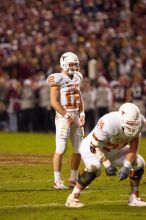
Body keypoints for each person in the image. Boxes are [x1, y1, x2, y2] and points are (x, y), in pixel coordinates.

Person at [65, 102, 146, 207]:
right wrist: (107, 164)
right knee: (94, 168)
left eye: (134, 124)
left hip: (114, 149)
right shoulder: (109, 122)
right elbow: (94, 146)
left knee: (139, 163)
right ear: (121, 120)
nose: (132, 127)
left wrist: (127, 166)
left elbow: (134, 148)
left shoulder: (141, 122)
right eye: (129, 123)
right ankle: (73, 197)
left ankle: (134, 197)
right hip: (92, 147)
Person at [47, 52, 85, 189]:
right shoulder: (56, 78)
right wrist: (67, 116)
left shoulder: (78, 77)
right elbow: (53, 102)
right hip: (63, 116)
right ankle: (57, 181)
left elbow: (79, 96)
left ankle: (73, 179)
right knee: (61, 148)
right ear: (64, 64)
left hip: (75, 114)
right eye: (72, 64)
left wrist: (82, 114)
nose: (74, 67)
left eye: (76, 64)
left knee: (79, 149)